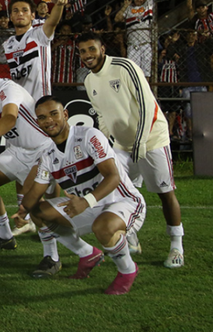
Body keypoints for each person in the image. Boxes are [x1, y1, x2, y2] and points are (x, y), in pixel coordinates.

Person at [77, 32, 185, 268]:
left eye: (91, 49)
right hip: (122, 145)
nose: (87, 55)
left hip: (152, 139)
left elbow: (147, 105)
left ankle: (177, 246)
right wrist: (105, 146)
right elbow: (102, 117)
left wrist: (141, 141)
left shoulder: (125, 66)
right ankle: (131, 239)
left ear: (102, 49)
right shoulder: (89, 80)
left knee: (165, 193)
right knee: (116, 191)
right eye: (83, 51)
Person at [22, 96, 146, 294]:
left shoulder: (89, 136)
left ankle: (127, 270)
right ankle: (87, 254)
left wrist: (86, 201)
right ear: (38, 122)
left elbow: (113, 177)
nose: (49, 120)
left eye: (54, 114)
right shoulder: (48, 155)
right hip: (87, 205)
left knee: (103, 227)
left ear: (65, 114)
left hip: (123, 201)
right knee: (38, 212)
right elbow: (35, 192)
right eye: (43, 117)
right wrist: (23, 212)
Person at [0, 47, 59, 274]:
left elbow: (10, 118)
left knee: (32, 201)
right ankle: (5, 237)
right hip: (18, 150)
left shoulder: (7, 88)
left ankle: (52, 256)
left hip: (43, 150)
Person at [2, 0, 67, 238]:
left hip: (41, 111)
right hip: (19, 112)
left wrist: (58, 6)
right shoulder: (8, 45)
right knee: (21, 164)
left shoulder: (39, 35)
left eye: (24, 10)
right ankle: (25, 219)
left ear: (32, 15)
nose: (19, 14)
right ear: (10, 17)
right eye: (15, 11)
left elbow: (52, 22)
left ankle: (53, 215)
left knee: (50, 167)